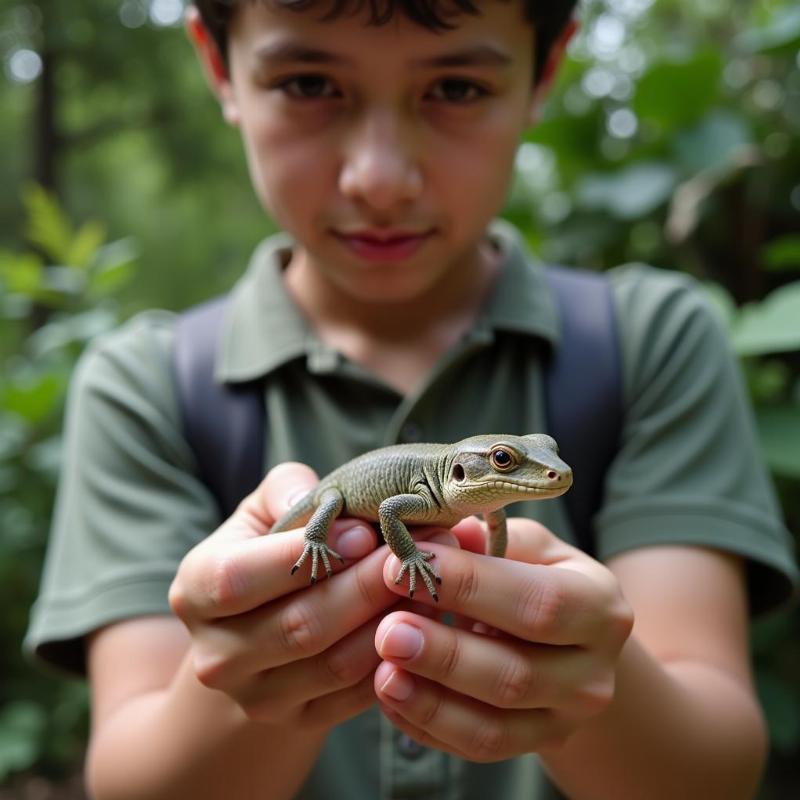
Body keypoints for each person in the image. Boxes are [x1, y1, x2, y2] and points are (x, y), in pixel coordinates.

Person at [25, 1, 798, 798]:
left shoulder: (654, 343)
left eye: (456, 87)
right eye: (308, 81)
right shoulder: (146, 384)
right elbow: (126, 783)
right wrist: (256, 663)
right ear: (219, 69)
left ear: (545, 70)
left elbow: (715, 774)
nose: (381, 179)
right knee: (321, 521)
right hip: (331, 511)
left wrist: (573, 659)